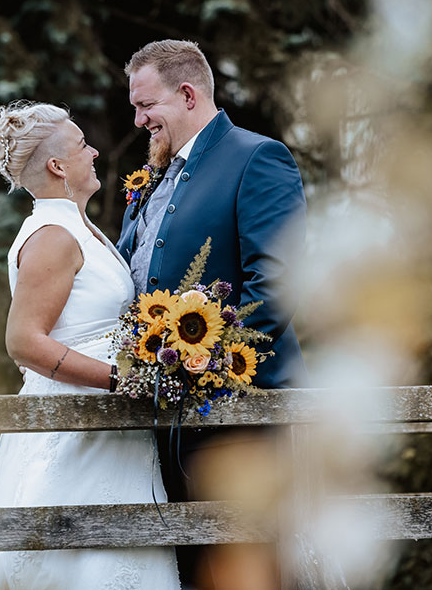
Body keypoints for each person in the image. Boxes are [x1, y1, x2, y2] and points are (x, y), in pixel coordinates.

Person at [0, 101, 180, 589]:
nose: (93, 151)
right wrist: (120, 379)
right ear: (57, 166)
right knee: (69, 560)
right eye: (81, 145)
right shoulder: (52, 235)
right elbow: (24, 342)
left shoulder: (75, 226)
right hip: (76, 430)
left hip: (105, 433)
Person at [118, 40, 307, 588]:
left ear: (187, 94)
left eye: (146, 105)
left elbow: (274, 285)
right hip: (163, 424)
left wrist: (201, 368)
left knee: (246, 567)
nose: (138, 120)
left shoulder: (257, 158)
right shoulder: (153, 176)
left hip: (237, 419)